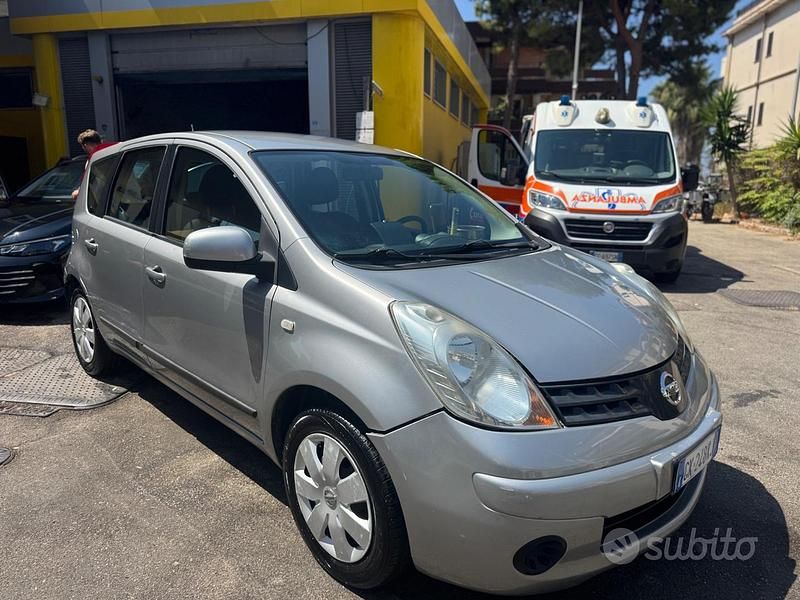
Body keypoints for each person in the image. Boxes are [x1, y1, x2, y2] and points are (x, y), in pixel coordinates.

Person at [72, 129, 117, 199]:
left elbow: (85, 185)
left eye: (83, 146)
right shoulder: (115, 150)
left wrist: (76, 193)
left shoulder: (95, 160)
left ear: (86, 145)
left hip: (111, 202)